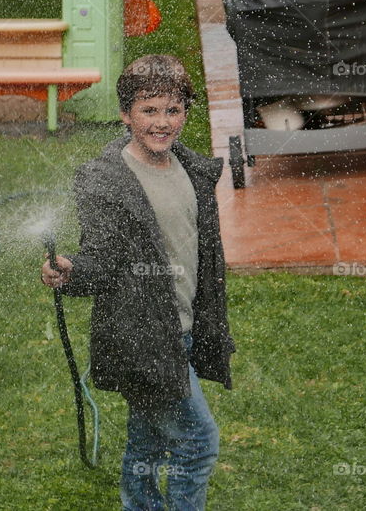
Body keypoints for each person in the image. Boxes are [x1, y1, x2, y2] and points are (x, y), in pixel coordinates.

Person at [40, 54, 236, 511]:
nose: (162, 123)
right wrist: (72, 272)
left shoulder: (190, 167)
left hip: (182, 330)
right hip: (140, 337)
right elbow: (103, 259)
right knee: (198, 442)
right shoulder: (107, 180)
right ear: (126, 114)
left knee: (147, 443)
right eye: (149, 110)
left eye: (173, 110)